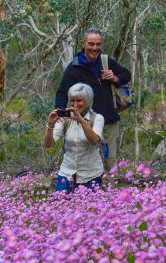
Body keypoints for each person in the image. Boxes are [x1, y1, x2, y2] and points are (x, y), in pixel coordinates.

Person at [55, 28, 131, 172]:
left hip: (108, 122)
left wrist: (115, 78)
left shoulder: (105, 61)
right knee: (85, 163)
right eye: (91, 44)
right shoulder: (74, 68)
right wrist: (60, 113)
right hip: (85, 124)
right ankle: (86, 193)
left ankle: (110, 192)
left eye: (98, 44)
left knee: (110, 163)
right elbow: (62, 93)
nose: (95, 48)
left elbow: (127, 74)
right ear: (83, 44)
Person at [45, 83, 105, 193]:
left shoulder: (97, 118)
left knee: (90, 208)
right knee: (62, 206)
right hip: (67, 172)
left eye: (79, 101)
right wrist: (50, 125)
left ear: (87, 101)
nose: (75, 104)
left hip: (91, 173)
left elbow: (94, 140)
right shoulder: (65, 118)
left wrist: (81, 119)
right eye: (72, 100)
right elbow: (49, 144)